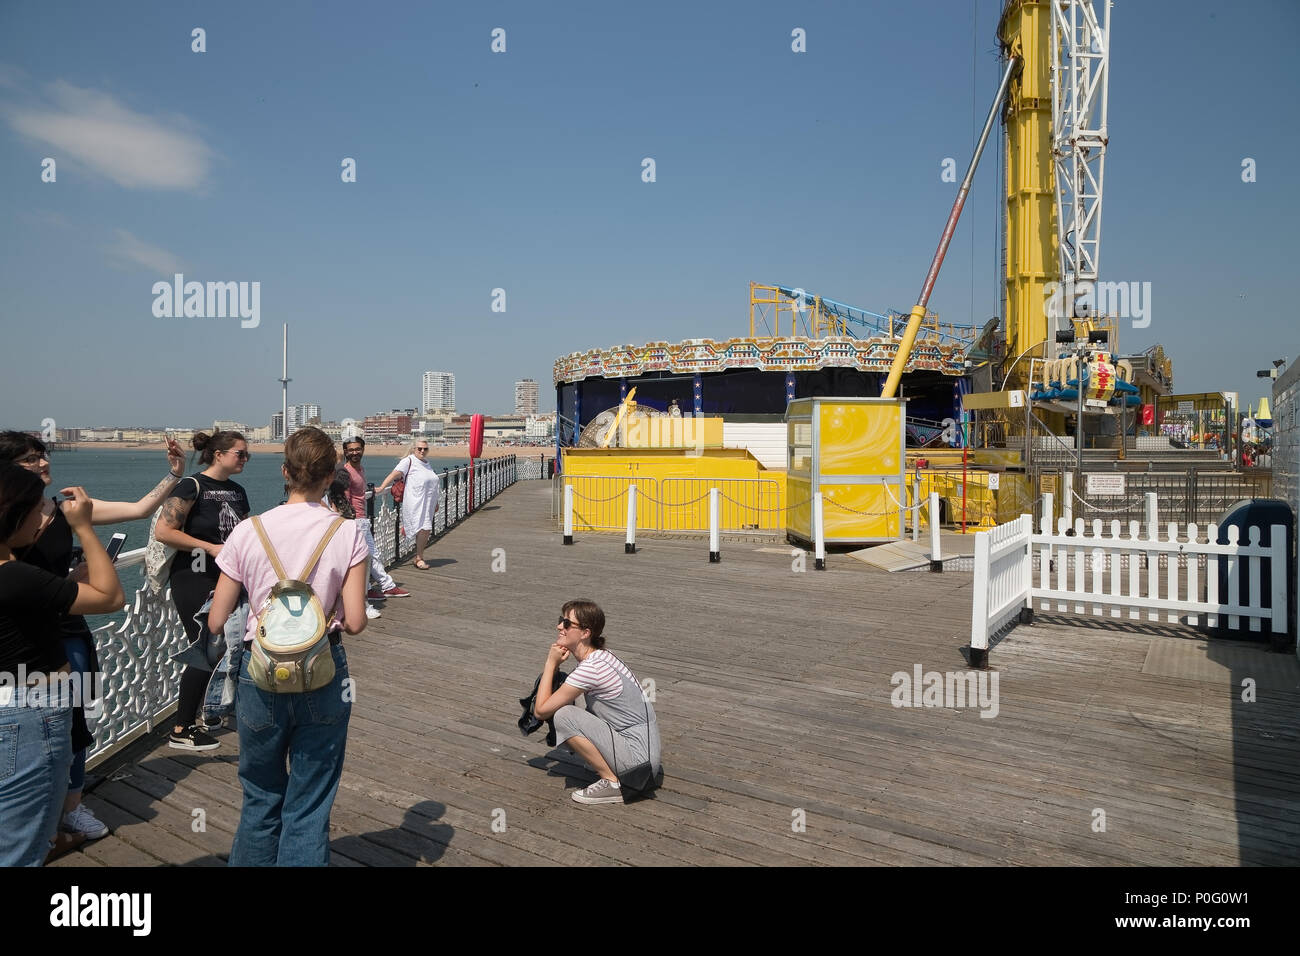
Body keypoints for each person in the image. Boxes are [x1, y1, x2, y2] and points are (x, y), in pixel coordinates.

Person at [0, 430, 186, 842]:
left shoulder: (66, 509)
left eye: (43, 456)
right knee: (38, 726)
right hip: (26, 635)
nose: (43, 464)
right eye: (30, 460)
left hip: (69, 627)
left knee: (77, 722)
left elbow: (139, 510)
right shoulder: (11, 522)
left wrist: (174, 474)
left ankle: (71, 807)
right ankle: (35, 821)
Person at [207, 426, 369, 866]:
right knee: (310, 802)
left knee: (260, 797)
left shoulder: (248, 530)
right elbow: (354, 622)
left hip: (259, 674)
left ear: (284, 472)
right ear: (331, 474)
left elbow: (218, 619)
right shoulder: (349, 534)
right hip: (322, 670)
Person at [0, 466, 123, 865]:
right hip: (32, 712)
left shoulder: (21, 577)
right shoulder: (16, 577)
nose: (45, 517)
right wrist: (84, 528)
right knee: (25, 846)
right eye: (37, 509)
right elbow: (109, 597)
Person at [153, 431, 251, 751]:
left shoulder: (237, 491)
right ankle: (181, 727)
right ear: (219, 454)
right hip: (193, 577)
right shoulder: (192, 486)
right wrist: (210, 548)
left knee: (229, 644)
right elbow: (164, 531)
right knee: (206, 647)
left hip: (228, 576)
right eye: (240, 453)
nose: (245, 458)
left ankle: (211, 710)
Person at [532, 600, 662, 806]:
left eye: (567, 624)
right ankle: (608, 764)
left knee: (564, 715)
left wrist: (551, 663)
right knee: (574, 695)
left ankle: (613, 783)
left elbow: (540, 711)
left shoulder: (591, 669)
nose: (559, 627)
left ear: (585, 633)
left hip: (639, 766)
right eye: (560, 621)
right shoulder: (602, 657)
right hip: (645, 754)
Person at [339, 437, 409, 604]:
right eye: (351, 450)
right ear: (345, 452)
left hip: (362, 519)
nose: (355, 452)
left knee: (370, 555)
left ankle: (378, 587)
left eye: (358, 449)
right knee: (366, 556)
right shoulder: (345, 472)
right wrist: (350, 523)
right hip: (355, 521)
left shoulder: (360, 469)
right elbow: (344, 499)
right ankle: (377, 588)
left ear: (363, 449)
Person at [375, 439, 440, 570]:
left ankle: (418, 556)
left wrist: (436, 501)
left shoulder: (427, 463)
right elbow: (394, 474)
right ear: (413, 449)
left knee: (425, 529)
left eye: (425, 449)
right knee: (423, 528)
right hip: (415, 501)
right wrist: (382, 487)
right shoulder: (408, 461)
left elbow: (432, 484)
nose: (422, 451)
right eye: (419, 448)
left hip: (428, 503)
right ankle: (419, 557)